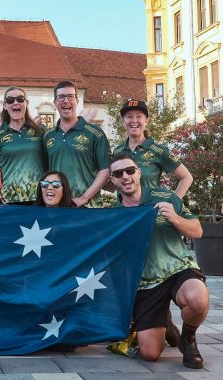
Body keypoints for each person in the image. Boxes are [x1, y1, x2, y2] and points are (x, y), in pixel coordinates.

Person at [109, 152, 209, 369]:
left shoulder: (165, 196)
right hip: (146, 283)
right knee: (150, 354)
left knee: (198, 299)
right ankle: (166, 321)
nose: (125, 176)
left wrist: (174, 218)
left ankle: (188, 338)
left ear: (139, 172)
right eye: (118, 173)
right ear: (112, 180)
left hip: (177, 269)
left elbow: (198, 231)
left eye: (129, 170)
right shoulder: (111, 213)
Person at [43, 80, 110, 207]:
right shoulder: (48, 136)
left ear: (77, 101)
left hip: (88, 206)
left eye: (70, 96)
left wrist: (83, 198)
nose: (66, 101)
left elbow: (105, 170)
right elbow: (45, 172)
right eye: (61, 97)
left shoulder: (95, 133)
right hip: (57, 206)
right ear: (55, 102)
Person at [113, 99, 192, 199]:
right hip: (123, 212)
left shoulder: (158, 150)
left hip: (149, 211)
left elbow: (187, 178)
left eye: (139, 116)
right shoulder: (117, 151)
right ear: (123, 121)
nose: (134, 120)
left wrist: (172, 204)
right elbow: (113, 185)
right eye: (129, 116)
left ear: (146, 121)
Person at [0, 87, 47, 205]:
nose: (15, 103)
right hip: (8, 199)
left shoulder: (40, 131)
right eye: (10, 100)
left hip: (39, 198)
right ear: (4, 105)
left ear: (26, 103)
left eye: (20, 99)